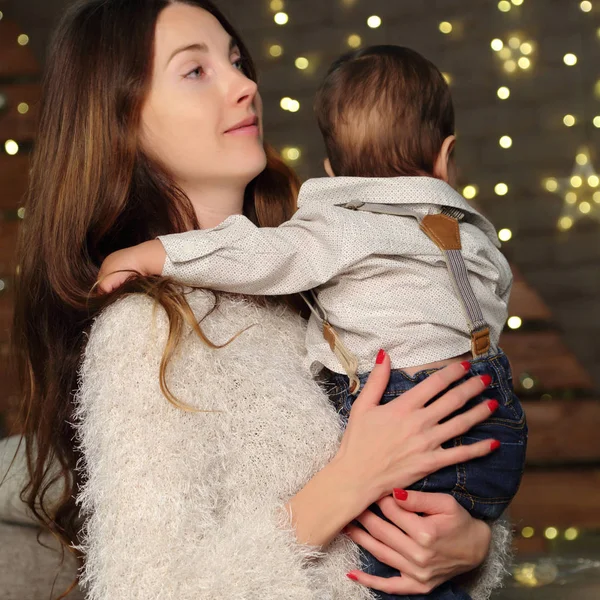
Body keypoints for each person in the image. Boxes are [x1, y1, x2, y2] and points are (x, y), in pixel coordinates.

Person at [8, 1, 512, 599]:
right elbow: (144, 589)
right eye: (196, 71)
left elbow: (435, 491)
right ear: (119, 121)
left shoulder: (318, 279)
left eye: (237, 60)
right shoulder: (146, 329)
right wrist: (346, 483)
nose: (246, 85)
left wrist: (473, 547)